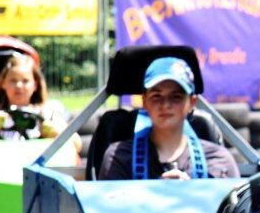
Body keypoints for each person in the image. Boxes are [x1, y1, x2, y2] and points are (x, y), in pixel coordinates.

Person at [98, 56, 239, 180]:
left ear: (192, 103)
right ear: (144, 101)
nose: (165, 105)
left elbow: (232, 209)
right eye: (156, 96)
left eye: (176, 97)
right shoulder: (119, 158)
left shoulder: (219, 161)